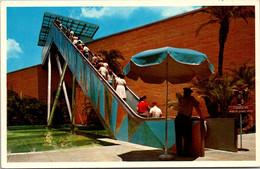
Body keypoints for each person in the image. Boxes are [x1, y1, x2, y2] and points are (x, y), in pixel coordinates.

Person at [175, 88, 204, 157]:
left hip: (178, 118)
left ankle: (179, 153)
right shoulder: (191, 99)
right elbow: (197, 106)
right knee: (187, 136)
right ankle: (186, 153)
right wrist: (201, 116)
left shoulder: (181, 99)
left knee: (178, 136)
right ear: (189, 93)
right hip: (185, 119)